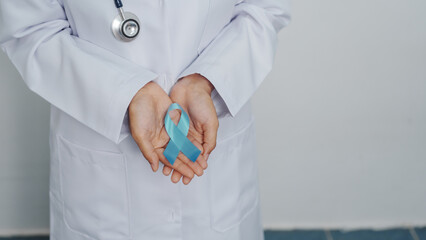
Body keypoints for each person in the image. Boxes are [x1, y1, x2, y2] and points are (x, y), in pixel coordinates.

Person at [0, 0, 291, 239]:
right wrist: (125, 92)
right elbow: (29, 31)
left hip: (215, 159)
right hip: (101, 176)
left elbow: (264, 8)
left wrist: (207, 79)